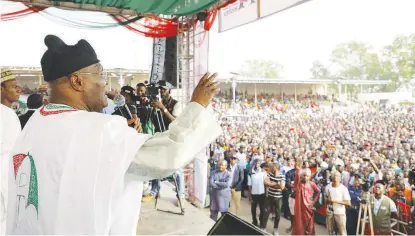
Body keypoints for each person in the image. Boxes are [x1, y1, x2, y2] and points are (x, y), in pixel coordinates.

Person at [6, 35, 222, 235]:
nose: (105, 84)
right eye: (100, 74)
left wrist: (127, 145)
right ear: (77, 81)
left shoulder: (34, 123)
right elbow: (169, 155)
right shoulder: (98, 128)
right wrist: (198, 105)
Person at [0, 70, 21, 235]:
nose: (18, 89)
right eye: (13, 86)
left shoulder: (9, 113)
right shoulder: (5, 114)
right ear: (1, 89)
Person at [292, 158, 320, 235]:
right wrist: (298, 171)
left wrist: (314, 202)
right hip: (299, 207)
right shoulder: (299, 184)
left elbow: (318, 192)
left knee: (308, 224)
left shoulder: (312, 184)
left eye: (307, 176)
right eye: (304, 175)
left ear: (310, 176)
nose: (305, 177)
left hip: (308, 207)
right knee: (298, 222)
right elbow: (296, 180)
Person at [325, 171, 351, 236]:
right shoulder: (328, 187)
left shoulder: (343, 189)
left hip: (340, 213)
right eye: (334, 175)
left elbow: (348, 203)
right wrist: (328, 200)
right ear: (331, 177)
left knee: (342, 232)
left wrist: (334, 201)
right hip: (330, 213)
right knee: (330, 231)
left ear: (340, 178)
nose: (335, 177)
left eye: (337, 176)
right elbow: (326, 199)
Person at [263, 162, 286, 236]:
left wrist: (271, 183)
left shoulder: (282, 176)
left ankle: (275, 228)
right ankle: (263, 227)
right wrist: (276, 184)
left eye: (272, 167)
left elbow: (282, 187)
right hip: (269, 196)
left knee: (278, 215)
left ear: (275, 167)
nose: (270, 168)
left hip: (278, 198)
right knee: (266, 212)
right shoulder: (270, 174)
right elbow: (265, 183)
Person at [248, 159, 268, 230]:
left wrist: (266, 193)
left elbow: (266, 183)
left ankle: (261, 222)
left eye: (259, 163)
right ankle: (254, 221)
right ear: (253, 164)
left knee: (262, 209)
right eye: (256, 163)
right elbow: (249, 186)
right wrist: (249, 196)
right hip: (254, 194)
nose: (257, 164)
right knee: (253, 209)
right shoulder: (250, 173)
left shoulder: (263, 172)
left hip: (262, 194)